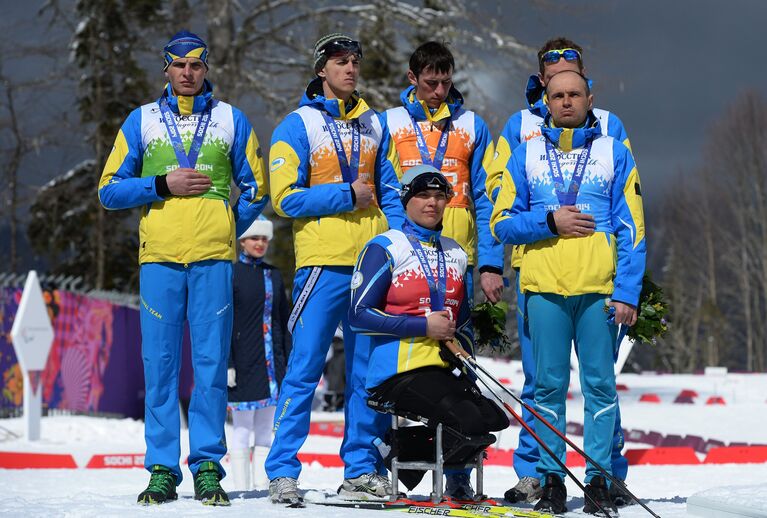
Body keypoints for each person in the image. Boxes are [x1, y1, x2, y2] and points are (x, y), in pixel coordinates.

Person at [97, 31, 268, 506]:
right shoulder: (142, 121)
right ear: (166, 69)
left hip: (213, 258)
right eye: (179, 65)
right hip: (160, 259)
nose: (188, 73)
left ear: (206, 68)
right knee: (161, 367)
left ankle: (209, 466)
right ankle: (162, 469)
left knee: (212, 367)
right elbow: (109, 190)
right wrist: (161, 184)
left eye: (196, 65)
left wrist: (226, 222)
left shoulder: (231, 118)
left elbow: (256, 189)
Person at [489, 70, 645, 515]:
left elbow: (633, 227)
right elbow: (502, 223)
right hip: (543, 290)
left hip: (598, 291)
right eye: (557, 95)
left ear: (589, 97)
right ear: (547, 101)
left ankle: (598, 477)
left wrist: (627, 292)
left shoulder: (613, 152)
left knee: (600, 386)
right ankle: (552, 478)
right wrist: (548, 222)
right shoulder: (525, 154)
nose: (566, 102)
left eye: (574, 94)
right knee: (548, 388)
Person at [266, 33, 405, 504]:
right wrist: (346, 195)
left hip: (371, 265)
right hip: (323, 264)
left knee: (368, 372)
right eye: (340, 62)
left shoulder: (373, 124)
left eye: (354, 62)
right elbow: (284, 199)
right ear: (321, 69)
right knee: (304, 367)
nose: (350, 69)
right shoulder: (297, 124)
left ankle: (361, 469)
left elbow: (390, 193)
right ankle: (283, 470)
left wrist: (403, 246)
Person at [349, 164, 509, 497]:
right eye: (423, 195)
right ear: (406, 201)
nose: (431, 203)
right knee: (466, 421)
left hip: (440, 368)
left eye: (439, 196)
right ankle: (394, 457)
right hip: (397, 370)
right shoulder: (385, 247)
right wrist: (423, 325)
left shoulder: (455, 252)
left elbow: (460, 318)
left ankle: (443, 469)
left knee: (492, 419)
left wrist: (466, 357)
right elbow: (358, 316)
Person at [385, 41, 504, 306]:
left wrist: (491, 264)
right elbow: (386, 191)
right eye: (431, 82)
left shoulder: (472, 124)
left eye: (447, 82)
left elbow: (488, 198)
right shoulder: (390, 122)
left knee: (457, 341)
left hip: (457, 252)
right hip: (405, 251)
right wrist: (398, 240)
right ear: (412, 78)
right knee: (409, 335)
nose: (440, 91)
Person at [227, 215, 291, 491]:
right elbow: (225, 321)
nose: (260, 243)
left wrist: (287, 362)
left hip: (272, 364)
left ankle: (263, 486)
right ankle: (242, 487)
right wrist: (227, 363)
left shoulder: (274, 274)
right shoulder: (231, 274)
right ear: (242, 241)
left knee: (266, 429)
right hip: (242, 362)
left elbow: (283, 319)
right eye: (255, 238)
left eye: (264, 239)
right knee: (242, 428)